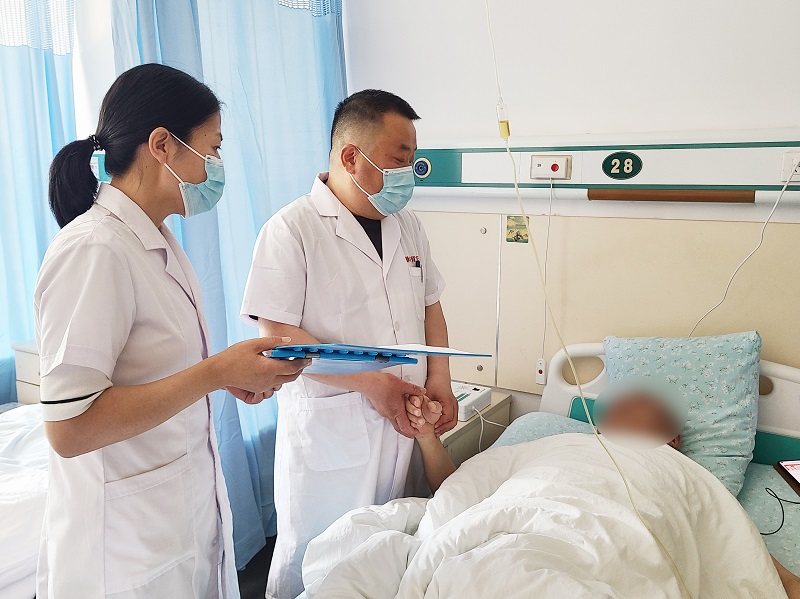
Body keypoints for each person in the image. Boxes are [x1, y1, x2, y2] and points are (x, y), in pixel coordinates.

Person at [36, 63, 308, 598]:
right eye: (212, 148)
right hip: (121, 556)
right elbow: (69, 429)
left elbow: (152, 370)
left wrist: (227, 375)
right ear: (162, 144)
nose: (217, 166)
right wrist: (215, 372)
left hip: (171, 529)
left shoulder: (154, 240)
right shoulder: (94, 248)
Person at [240, 89, 459, 598]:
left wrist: (441, 380)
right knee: (320, 567)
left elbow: (431, 307)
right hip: (332, 434)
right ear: (351, 157)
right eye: (398, 160)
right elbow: (277, 336)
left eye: (412, 159)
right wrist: (375, 384)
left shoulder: (408, 227)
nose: (408, 173)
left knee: (392, 560)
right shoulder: (291, 229)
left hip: (403, 422)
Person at [406, 386, 800, 598]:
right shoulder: (559, 443)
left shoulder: (688, 476)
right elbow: (456, 490)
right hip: (510, 538)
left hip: (617, 553)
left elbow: (751, 562)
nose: (624, 403)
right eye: (618, 404)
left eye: (643, 402)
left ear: (674, 438)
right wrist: (426, 436)